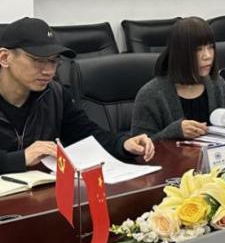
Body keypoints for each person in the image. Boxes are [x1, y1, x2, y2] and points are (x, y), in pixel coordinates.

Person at [0, 17, 153, 172]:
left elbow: (86, 135)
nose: (49, 71)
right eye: (38, 61)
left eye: (54, 61)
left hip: (41, 184)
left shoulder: (55, 94)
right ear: (5, 58)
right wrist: (20, 158)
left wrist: (123, 144)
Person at [131, 17, 225, 140]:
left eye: (210, 47)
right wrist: (174, 132)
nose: (207, 56)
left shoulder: (217, 84)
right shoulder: (150, 94)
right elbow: (139, 146)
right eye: (198, 49)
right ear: (180, 54)